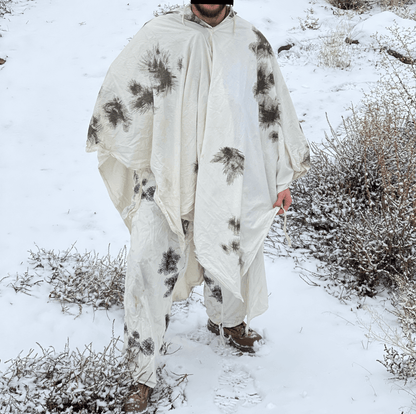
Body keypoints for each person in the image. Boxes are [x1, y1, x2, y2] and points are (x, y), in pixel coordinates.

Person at [86, 1, 310, 412]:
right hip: (166, 177)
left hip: (228, 174)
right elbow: (121, 93)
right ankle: (142, 373)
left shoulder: (251, 43)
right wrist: (136, 152)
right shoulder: (161, 34)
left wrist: (280, 178)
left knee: (233, 246)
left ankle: (226, 319)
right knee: (147, 267)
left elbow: (271, 113)